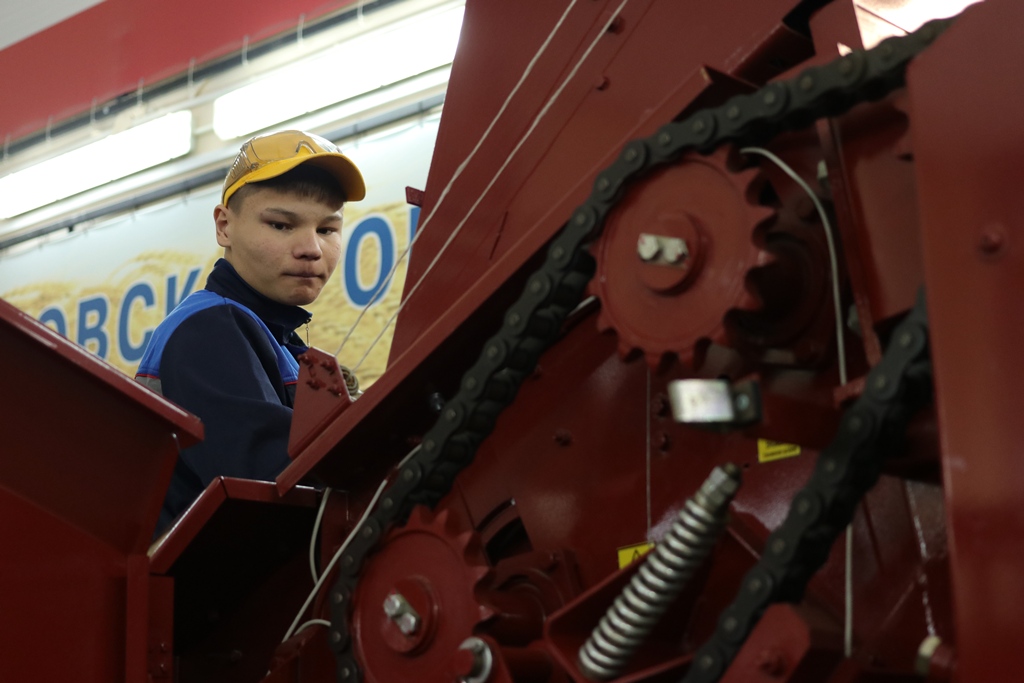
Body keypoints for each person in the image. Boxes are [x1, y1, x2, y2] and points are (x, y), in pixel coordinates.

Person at [136, 129, 365, 534]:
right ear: (224, 227)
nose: (311, 248)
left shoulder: (277, 340)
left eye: (328, 230)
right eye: (280, 225)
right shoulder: (208, 330)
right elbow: (269, 479)